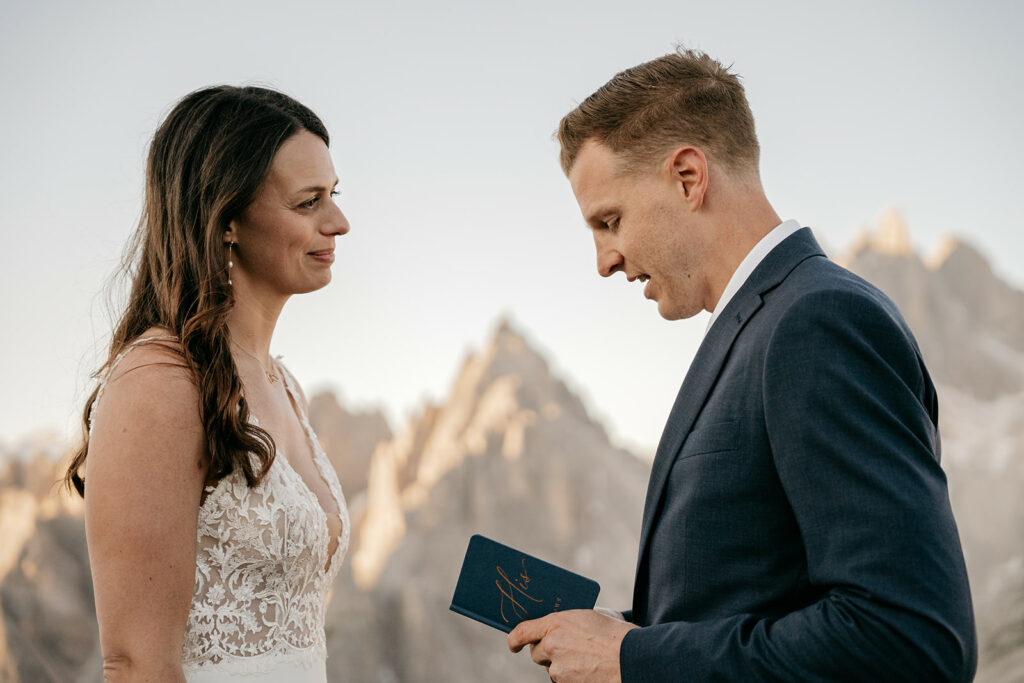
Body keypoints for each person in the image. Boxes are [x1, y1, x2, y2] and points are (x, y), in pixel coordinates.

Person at [508, 49, 977, 682]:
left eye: (610, 221)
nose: (604, 261)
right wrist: (615, 636)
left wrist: (631, 658)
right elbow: (753, 600)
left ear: (688, 177)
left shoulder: (817, 322)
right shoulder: (762, 326)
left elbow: (908, 636)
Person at [64, 85, 351, 682]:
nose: (339, 222)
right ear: (228, 221)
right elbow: (136, 664)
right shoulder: (160, 380)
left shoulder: (285, 384)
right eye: (308, 202)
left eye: (334, 195)